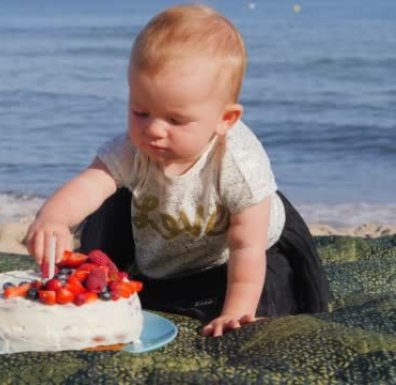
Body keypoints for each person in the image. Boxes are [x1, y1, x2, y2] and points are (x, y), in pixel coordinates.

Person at [25, 4, 329, 337]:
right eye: (140, 111)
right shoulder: (133, 148)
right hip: (164, 239)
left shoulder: (238, 164)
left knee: (256, 305)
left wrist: (236, 312)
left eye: (175, 120)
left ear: (225, 119)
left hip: (239, 253)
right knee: (111, 212)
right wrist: (53, 217)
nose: (154, 129)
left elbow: (246, 247)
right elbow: (90, 184)